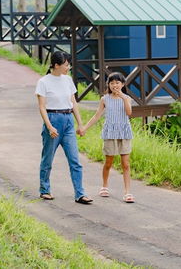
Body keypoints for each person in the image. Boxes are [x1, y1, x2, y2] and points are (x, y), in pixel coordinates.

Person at [35, 51, 93, 204]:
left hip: (68, 121)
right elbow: (41, 107)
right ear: (56, 65)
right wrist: (49, 126)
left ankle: (80, 193)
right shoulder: (43, 82)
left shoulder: (67, 80)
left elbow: (73, 102)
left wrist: (80, 124)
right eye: (66, 65)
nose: (69, 67)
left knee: (75, 160)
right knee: (47, 158)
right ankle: (45, 190)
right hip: (52, 119)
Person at [79, 72, 134, 203]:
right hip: (110, 133)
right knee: (108, 162)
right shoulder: (105, 99)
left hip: (124, 133)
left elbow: (129, 113)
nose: (115, 85)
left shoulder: (126, 98)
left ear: (123, 84)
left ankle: (127, 192)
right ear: (108, 85)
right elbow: (96, 116)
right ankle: (104, 186)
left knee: (125, 164)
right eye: (112, 83)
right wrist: (84, 128)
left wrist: (123, 97)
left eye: (117, 83)